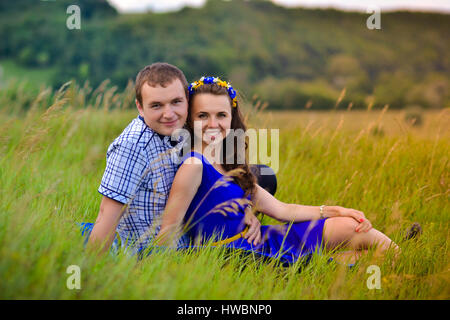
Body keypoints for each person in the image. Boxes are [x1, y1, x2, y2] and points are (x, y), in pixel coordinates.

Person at [155, 76, 401, 266]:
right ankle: (349, 263)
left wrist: (337, 210)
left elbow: (283, 210)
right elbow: (169, 230)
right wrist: (155, 268)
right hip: (241, 253)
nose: (213, 123)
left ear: (232, 119)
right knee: (372, 252)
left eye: (221, 115)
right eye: (202, 115)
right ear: (189, 120)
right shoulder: (193, 165)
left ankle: (370, 256)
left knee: (351, 228)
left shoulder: (229, 164)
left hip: (264, 238)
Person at [86, 63, 274, 255]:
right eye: (156, 105)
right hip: (155, 247)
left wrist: (246, 208)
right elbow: (106, 214)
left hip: (187, 225)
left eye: (176, 102)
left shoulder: (180, 127)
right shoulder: (132, 147)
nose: (169, 114)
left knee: (262, 175)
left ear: (187, 102)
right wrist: (92, 270)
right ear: (140, 108)